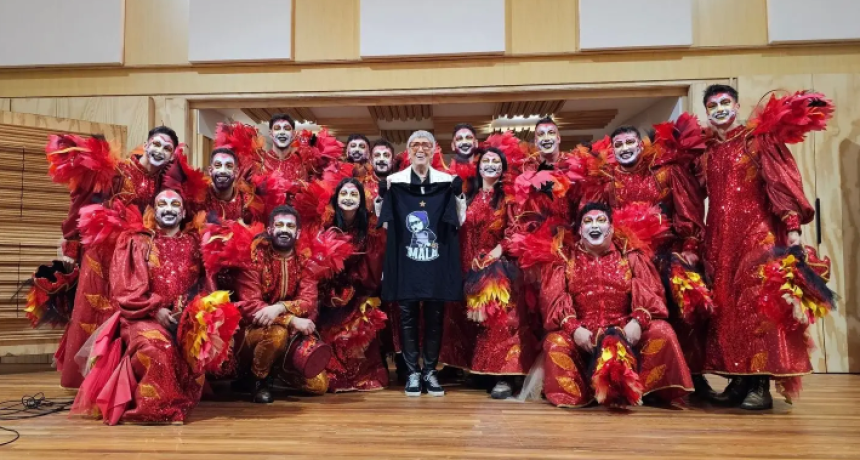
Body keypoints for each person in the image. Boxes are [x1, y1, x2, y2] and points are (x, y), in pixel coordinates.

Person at [698, 84, 832, 409]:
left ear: (737, 105)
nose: (719, 108)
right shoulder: (708, 154)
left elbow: (781, 185)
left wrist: (793, 231)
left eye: (724, 102)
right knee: (729, 312)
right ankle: (738, 382)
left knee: (758, 309)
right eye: (712, 104)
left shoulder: (757, 141)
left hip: (759, 236)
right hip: (720, 241)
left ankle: (761, 387)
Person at [47, 126, 181, 389]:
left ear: (172, 155)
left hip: (136, 256)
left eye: (167, 148)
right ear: (146, 143)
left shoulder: (164, 182)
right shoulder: (118, 170)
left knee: (128, 311)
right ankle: (91, 380)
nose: (160, 150)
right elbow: (84, 202)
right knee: (98, 309)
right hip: (103, 253)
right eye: (156, 143)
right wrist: (73, 241)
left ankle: (121, 377)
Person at [71, 189, 209, 424]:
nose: (168, 208)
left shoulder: (195, 244)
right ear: (154, 211)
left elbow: (207, 286)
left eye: (175, 204)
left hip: (184, 319)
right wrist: (156, 309)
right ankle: (152, 410)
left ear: (183, 212)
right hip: (141, 317)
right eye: (162, 204)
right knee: (158, 348)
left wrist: (190, 312)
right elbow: (123, 290)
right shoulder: (137, 241)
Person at [539, 203, 693, 408]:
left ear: (611, 228)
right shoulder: (565, 260)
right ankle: (588, 390)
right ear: (580, 231)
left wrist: (638, 322)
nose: (594, 225)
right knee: (555, 342)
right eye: (588, 221)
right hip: (584, 337)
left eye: (601, 221)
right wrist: (574, 329)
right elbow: (554, 301)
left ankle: (640, 390)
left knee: (663, 332)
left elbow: (652, 294)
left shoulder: (630, 256)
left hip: (626, 334)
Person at [600, 124, 711, 397]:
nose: (625, 149)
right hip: (626, 262)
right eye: (619, 145)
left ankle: (693, 378)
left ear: (641, 145)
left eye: (630, 143)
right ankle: (636, 381)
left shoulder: (666, 173)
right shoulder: (607, 182)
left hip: (665, 256)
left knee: (682, 314)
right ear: (613, 152)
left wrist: (690, 246)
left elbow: (688, 210)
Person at [377, 130, 466, 397]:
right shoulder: (395, 182)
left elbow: (458, 221)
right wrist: (382, 196)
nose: (420, 149)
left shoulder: (446, 182)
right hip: (406, 262)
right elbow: (383, 220)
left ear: (434, 149)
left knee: (435, 316)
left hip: (436, 262)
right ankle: (412, 372)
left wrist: (459, 195)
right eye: (414, 145)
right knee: (407, 316)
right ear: (407, 150)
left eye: (425, 145)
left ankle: (429, 370)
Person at [458, 147, 538, 399]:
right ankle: (479, 372)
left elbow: (516, 231)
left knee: (499, 321)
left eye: (496, 162)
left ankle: (503, 377)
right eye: (486, 161)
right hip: (468, 267)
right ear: (479, 167)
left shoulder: (508, 200)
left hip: (498, 266)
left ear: (502, 168)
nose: (491, 165)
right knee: (473, 323)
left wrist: (495, 252)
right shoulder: (467, 196)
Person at [231, 205, 326, 403]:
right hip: (253, 331)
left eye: (290, 226)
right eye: (279, 225)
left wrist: (280, 307)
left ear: (297, 232)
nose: (284, 229)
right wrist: (291, 320)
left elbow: (308, 301)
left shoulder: (305, 260)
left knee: (319, 386)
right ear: (270, 229)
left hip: (291, 336)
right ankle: (258, 381)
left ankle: (275, 371)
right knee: (277, 334)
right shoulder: (253, 256)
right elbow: (251, 306)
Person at [317, 178, 389, 392]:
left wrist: (353, 287)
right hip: (329, 292)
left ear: (361, 200)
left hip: (359, 290)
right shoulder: (326, 225)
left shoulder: (371, 229)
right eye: (344, 194)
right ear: (336, 198)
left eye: (353, 194)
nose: (348, 198)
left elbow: (374, 265)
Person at [200, 147, 255, 222]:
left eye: (229, 166)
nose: (223, 171)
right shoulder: (199, 199)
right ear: (210, 171)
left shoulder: (247, 201)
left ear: (236, 173)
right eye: (218, 165)